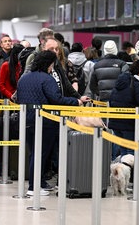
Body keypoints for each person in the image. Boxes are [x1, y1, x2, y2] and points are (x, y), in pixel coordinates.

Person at [17, 50, 83, 196]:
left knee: (34, 153)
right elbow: (56, 99)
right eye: (52, 64)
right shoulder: (47, 79)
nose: (53, 67)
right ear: (48, 63)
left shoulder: (24, 78)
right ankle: (34, 188)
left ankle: (38, 183)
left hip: (26, 120)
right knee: (41, 154)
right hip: (45, 122)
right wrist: (76, 101)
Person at [109, 60, 139, 156]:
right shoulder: (137, 84)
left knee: (124, 152)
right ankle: (132, 171)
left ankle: (122, 171)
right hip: (129, 124)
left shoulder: (119, 82)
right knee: (131, 153)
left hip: (116, 123)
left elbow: (111, 101)